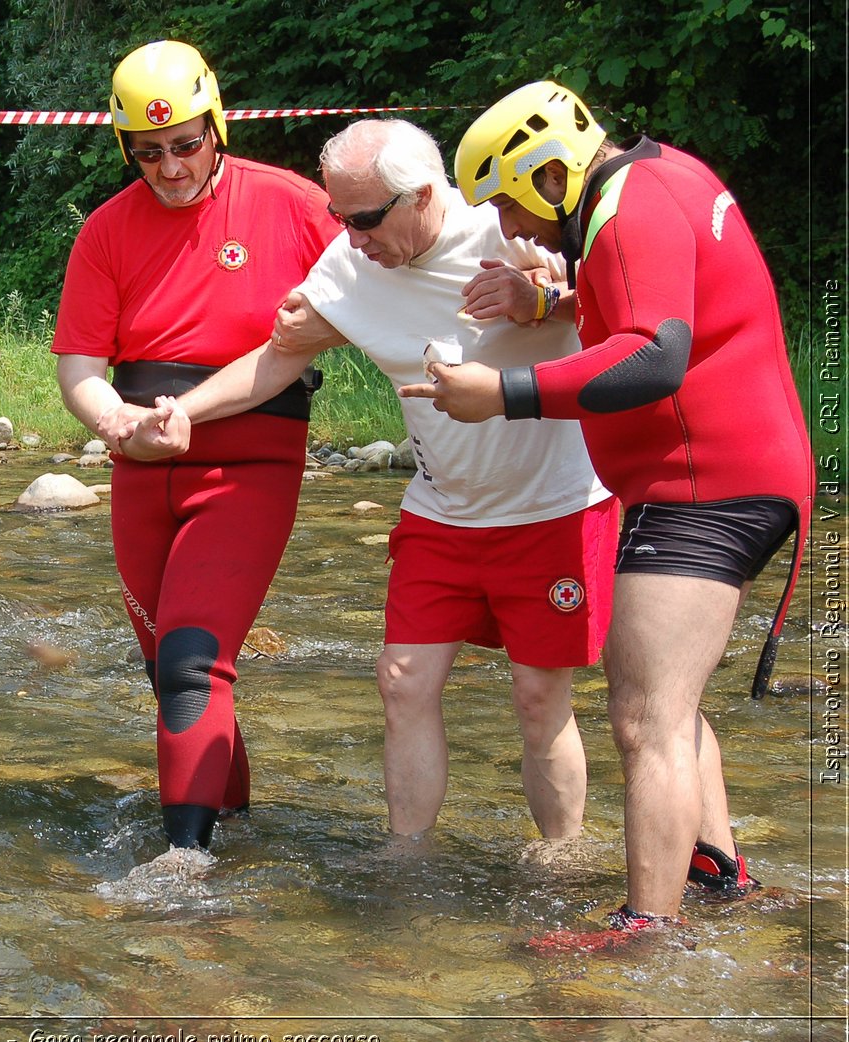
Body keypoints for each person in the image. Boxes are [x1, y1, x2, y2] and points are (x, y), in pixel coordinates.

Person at [115, 118, 617, 845]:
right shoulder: (352, 264)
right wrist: (178, 414)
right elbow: (277, 359)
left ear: (421, 195)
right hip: (442, 510)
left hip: (553, 506)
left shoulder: (506, 227)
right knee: (402, 682)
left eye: (364, 219)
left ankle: (561, 857)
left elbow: (623, 312)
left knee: (540, 697)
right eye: (338, 218)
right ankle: (406, 866)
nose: (349, 237)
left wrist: (541, 300)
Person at [397, 81, 813, 947]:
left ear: (552, 174)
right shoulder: (658, 179)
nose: (511, 230)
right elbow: (653, 305)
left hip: (705, 485)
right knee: (674, 697)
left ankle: (644, 927)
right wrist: (545, 305)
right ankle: (718, 873)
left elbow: (655, 358)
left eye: (511, 205)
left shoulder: (629, 212)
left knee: (642, 715)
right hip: (725, 476)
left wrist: (502, 394)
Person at [51, 40, 340, 857]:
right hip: (142, 472)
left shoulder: (291, 204)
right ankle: (233, 825)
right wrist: (116, 425)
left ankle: (183, 867)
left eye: (186, 145)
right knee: (171, 674)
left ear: (216, 126)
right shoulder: (107, 231)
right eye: (149, 153)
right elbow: (80, 368)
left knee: (188, 663)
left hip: (251, 465)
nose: (171, 168)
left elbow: (395, 264)